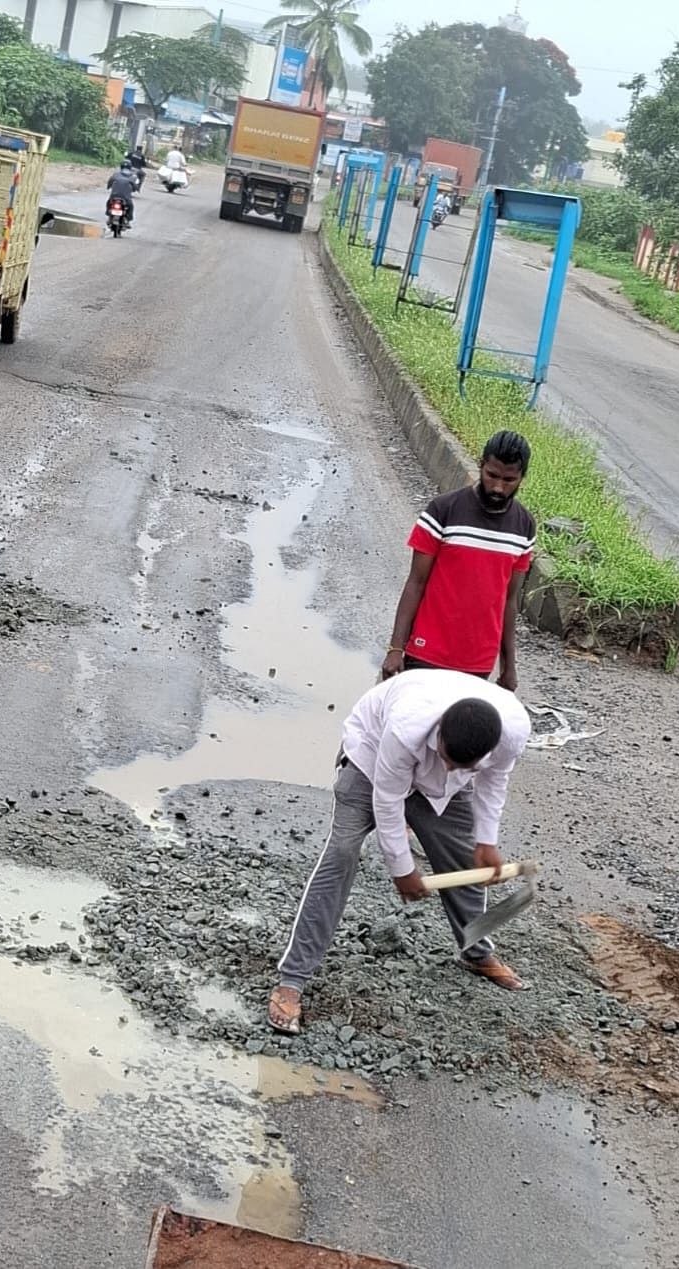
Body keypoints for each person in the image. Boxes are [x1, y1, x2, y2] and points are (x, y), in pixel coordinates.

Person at [267, 671, 532, 1035]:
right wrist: (402, 868)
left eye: (462, 767)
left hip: (444, 788)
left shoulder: (513, 731)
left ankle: (476, 952)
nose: (449, 768)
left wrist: (487, 840)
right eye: (446, 758)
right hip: (371, 759)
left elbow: (493, 782)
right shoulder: (406, 726)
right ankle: (292, 980)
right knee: (341, 854)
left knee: (464, 856)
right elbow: (388, 799)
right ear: (439, 734)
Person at [382, 430, 535, 692]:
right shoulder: (443, 510)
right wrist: (396, 648)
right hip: (427, 651)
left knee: (459, 732)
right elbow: (415, 583)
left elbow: (509, 600)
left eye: (509, 480)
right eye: (492, 475)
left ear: (522, 477)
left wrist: (509, 666)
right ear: (481, 464)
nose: (498, 487)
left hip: (478, 661)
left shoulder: (524, 526)